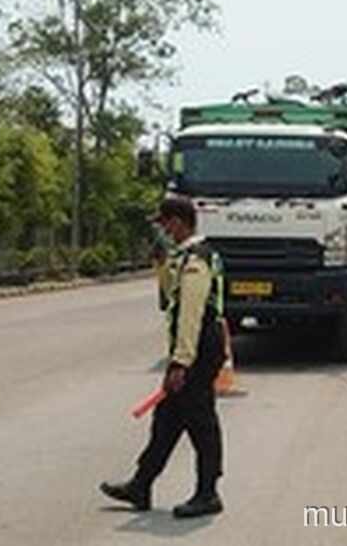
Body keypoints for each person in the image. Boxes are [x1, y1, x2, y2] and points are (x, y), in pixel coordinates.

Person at [101, 196, 227, 519]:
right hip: (192, 346)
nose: (165, 231)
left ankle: (208, 493)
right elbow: (170, 298)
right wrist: (160, 264)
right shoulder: (183, 258)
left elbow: (191, 313)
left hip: (198, 347)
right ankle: (140, 485)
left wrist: (181, 362)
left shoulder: (197, 260)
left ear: (181, 221)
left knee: (201, 422)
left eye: (167, 223)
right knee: (167, 420)